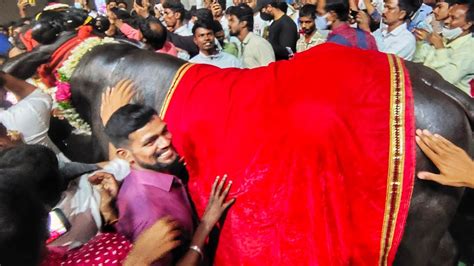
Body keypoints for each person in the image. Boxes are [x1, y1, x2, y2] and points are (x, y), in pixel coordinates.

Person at [103, 102, 236, 264]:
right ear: (125, 155)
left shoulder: (150, 171)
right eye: (150, 142)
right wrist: (206, 225)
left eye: (164, 131)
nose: (165, 142)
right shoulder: (150, 215)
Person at [413, 0, 474, 96]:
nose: (446, 21)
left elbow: (446, 79)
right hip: (425, 92)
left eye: (453, 18)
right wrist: (420, 42)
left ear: (468, 24)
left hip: (452, 102)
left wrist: (440, 49)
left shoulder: (469, 49)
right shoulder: (443, 38)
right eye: (448, 16)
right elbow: (418, 62)